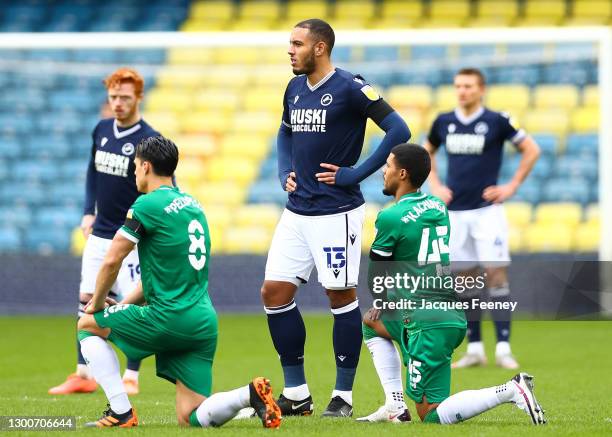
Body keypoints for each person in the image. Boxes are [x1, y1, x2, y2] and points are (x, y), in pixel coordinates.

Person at [77, 136, 282, 428]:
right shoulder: (192, 205)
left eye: (135, 166)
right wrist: (122, 305)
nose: (134, 172)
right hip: (201, 323)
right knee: (191, 417)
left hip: (168, 318)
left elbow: (111, 260)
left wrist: (95, 306)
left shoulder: (147, 205)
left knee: (86, 326)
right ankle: (248, 395)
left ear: (145, 166)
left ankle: (120, 413)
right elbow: (160, 279)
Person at [261, 18, 410, 418]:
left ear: (320, 47)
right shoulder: (294, 87)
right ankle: (296, 393)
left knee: (340, 298)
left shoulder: (351, 87)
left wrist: (357, 172)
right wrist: (283, 170)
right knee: (274, 294)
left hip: (337, 213)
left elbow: (400, 129)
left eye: (296, 44)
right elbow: (285, 132)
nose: (290, 50)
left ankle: (342, 397)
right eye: (289, 43)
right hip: (297, 211)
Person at [359, 143, 545, 425]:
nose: (384, 171)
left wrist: (384, 302)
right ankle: (395, 406)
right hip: (449, 314)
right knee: (371, 324)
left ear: (403, 173)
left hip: (424, 322)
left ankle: (510, 390)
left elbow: (378, 275)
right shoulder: (436, 206)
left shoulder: (390, 217)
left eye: (389, 165)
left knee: (432, 415)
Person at [49, 68, 159, 396]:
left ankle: (132, 375)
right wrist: (88, 211)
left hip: (131, 237)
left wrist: (143, 222)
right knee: (86, 301)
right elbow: (92, 173)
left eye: (125, 97)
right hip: (99, 235)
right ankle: (84, 373)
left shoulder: (148, 139)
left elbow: (160, 186)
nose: (118, 103)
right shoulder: (101, 129)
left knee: (134, 305)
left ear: (138, 98)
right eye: (113, 97)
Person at [424, 68, 540, 369]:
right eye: (458, 86)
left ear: (481, 89)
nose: (462, 91)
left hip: (487, 213)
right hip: (455, 213)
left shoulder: (497, 120)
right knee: (465, 282)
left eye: (468, 86)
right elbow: (427, 152)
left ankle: (503, 347)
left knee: (496, 276)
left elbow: (531, 149)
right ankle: (475, 348)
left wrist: (511, 186)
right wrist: (435, 183)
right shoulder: (443, 121)